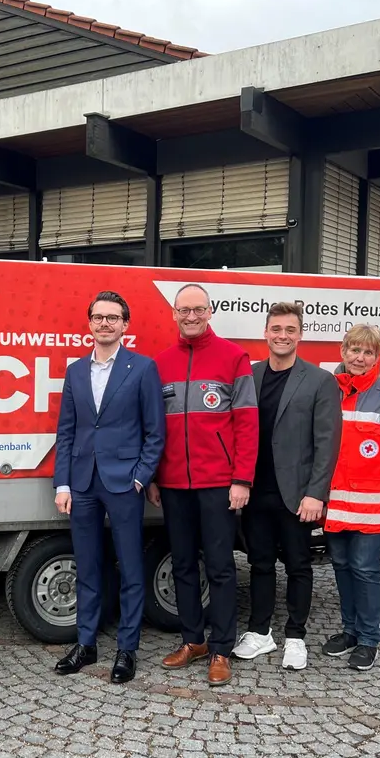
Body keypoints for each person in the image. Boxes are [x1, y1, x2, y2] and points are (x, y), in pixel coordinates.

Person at [52, 292, 165, 684]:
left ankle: (127, 650)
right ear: (89, 324)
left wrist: (139, 477)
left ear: (125, 325)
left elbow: (156, 432)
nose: (105, 324)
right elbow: (66, 433)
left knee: (131, 567)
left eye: (112, 318)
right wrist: (62, 483)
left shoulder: (143, 368)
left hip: (123, 484)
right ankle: (86, 644)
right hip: (82, 484)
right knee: (87, 565)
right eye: (98, 317)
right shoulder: (75, 372)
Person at [149, 283, 257, 687]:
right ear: (173, 314)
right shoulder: (159, 363)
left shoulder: (234, 358)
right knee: (181, 565)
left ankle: (221, 649)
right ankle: (192, 641)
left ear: (210, 312)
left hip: (218, 485)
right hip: (174, 484)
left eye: (198, 309)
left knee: (221, 568)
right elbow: (155, 428)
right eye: (183, 310)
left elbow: (247, 423)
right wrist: (158, 476)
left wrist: (242, 478)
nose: (190, 316)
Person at [233, 301, 340, 671]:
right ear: (265, 333)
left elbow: (327, 443)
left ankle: (295, 636)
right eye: (276, 329)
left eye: (289, 330)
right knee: (259, 563)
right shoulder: (249, 375)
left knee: (298, 565)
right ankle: (260, 632)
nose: (282, 336)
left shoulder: (320, 380)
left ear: (300, 334)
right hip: (254, 490)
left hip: (297, 495)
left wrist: (316, 493)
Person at [320, 324, 380, 672]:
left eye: (368, 352)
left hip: (373, 505)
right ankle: (349, 631)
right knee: (342, 567)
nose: (359, 357)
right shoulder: (327, 389)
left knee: (365, 570)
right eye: (354, 350)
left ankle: (369, 638)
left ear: (377, 356)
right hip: (334, 502)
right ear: (343, 351)